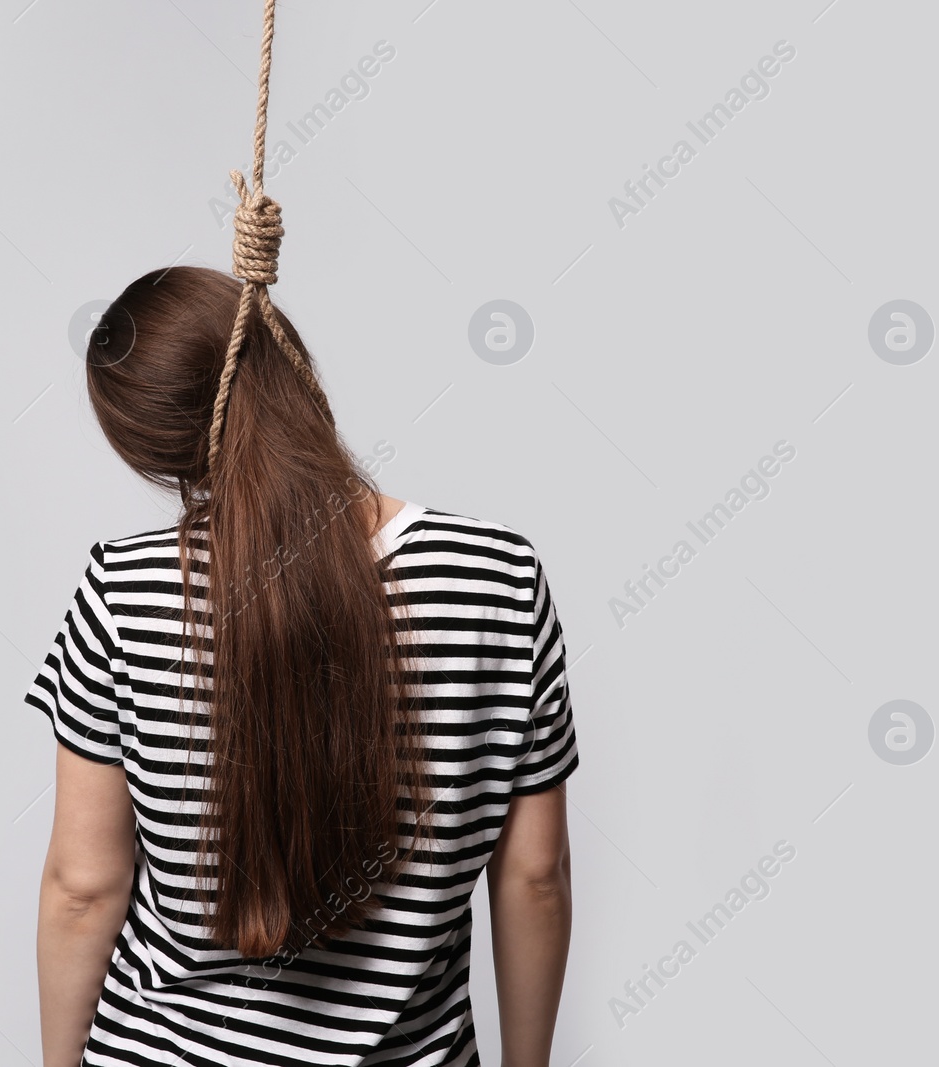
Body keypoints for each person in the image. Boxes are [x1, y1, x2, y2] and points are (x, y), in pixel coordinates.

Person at [30, 265, 578, 1067]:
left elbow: (83, 889)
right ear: (291, 366)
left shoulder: (124, 591)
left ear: (150, 447)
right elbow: (535, 876)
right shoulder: (497, 575)